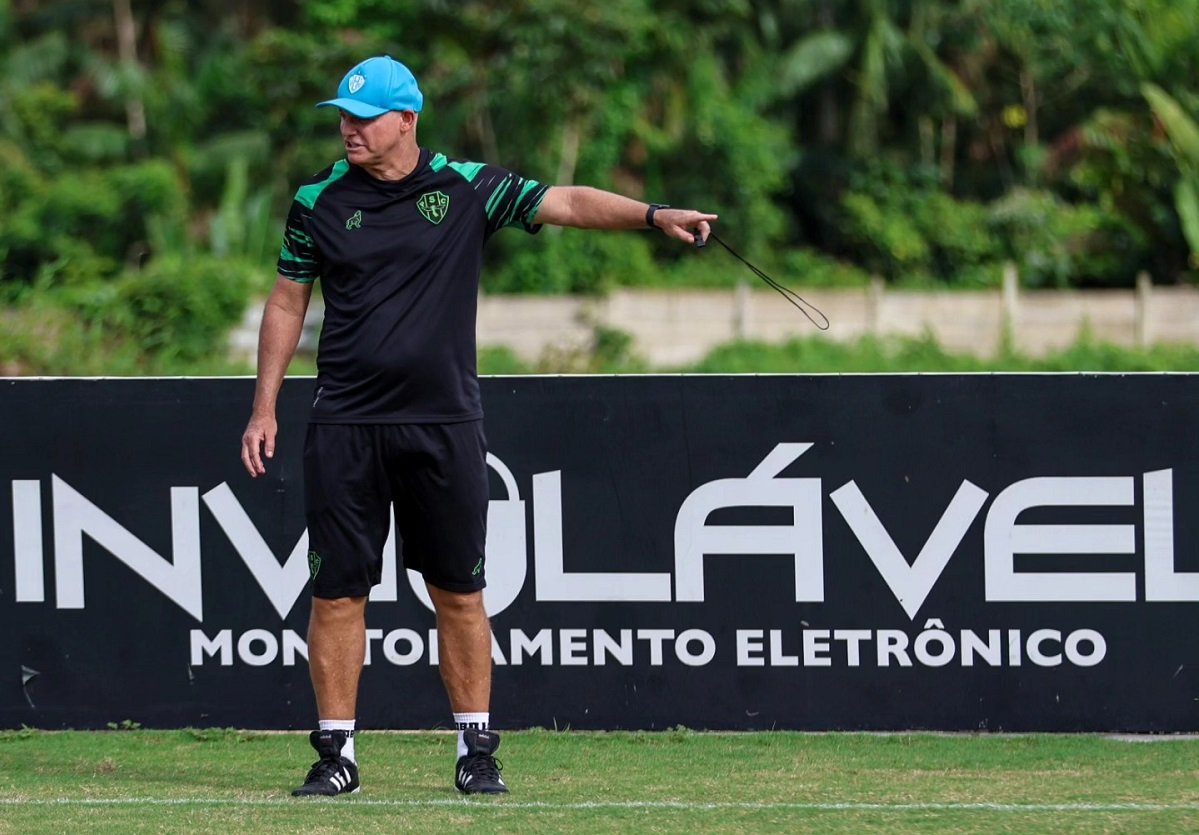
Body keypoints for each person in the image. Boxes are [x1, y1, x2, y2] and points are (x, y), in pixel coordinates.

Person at [239, 54, 718, 798]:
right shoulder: (317, 199)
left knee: (458, 590)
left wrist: (654, 216)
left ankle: (475, 749)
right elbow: (284, 302)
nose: (348, 130)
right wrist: (264, 404)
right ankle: (336, 754)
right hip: (344, 424)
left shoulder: (469, 187)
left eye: (364, 119)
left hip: (444, 425)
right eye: (342, 117)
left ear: (407, 120)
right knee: (336, 594)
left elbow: (566, 202)